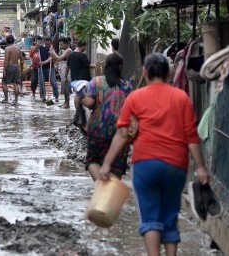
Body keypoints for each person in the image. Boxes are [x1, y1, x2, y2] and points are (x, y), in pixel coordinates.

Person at [99, 53, 210, 256]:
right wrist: (201, 168)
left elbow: (123, 134)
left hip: (145, 164)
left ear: (144, 73)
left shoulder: (135, 97)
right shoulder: (181, 98)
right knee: (170, 216)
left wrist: (106, 164)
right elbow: (191, 137)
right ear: (168, 73)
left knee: (150, 218)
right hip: (176, 166)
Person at [82, 53, 132, 181]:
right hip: (120, 131)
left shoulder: (96, 81)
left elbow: (89, 102)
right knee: (116, 167)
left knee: (93, 161)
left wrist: (81, 97)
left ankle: (101, 187)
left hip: (97, 130)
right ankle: (110, 193)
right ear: (120, 67)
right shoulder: (127, 86)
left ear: (105, 66)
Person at [65, 40, 95, 109]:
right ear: (83, 46)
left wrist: (65, 77)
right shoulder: (83, 55)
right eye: (85, 47)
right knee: (84, 96)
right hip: (84, 80)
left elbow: (67, 67)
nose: (85, 49)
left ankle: (78, 112)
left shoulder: (70, 55)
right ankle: (81, 111)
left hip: (75, 80)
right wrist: (98, 66)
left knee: (78, 95)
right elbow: (89, 65)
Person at [49, 37, 72, 108]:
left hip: (67, 71)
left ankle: (67, 104)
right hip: (62, 70)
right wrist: (53, 54)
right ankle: (65, 102)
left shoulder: (68, 50)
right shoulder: (63, 50)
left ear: (66, 44)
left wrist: (53, 52)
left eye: (62, 44)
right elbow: (57, 59)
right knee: (64, 88)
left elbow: (59, 58)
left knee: (66, 88)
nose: (61, 46)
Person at [1, 35, 24, 106]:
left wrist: (4, 70)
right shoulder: (18, 49)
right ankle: (16, 100)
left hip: (10, 67)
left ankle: (6, 99)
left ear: (7, 42)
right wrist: (21, 69)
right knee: (15, 84)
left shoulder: (7, 49)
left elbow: (6, 60)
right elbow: (22, 60)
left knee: (4, 82)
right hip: (16, 67)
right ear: (13, 41)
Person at [38, 36, 59, 102]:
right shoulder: (40, 47)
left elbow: (50, 58)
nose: (47, 45)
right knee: (41, 82)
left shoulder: (52, 49)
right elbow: (33, 50)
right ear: (44, 42)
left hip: (50, 68)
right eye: (46, 44)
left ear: (50, 43)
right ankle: (42, 96)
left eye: (48, 44)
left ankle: (56, 96)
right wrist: (37, 44)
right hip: (41, 68)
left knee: (53, 82)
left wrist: (43, 62)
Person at [29, 36, 42, 101]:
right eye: (36, 41)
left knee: (42, 81)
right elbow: (30, 57)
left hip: (42, 68)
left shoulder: (43, 47)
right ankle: (33, 92)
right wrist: (31, 64)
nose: (38, 42)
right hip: (34, 68)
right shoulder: (32, 48)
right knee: (34, 81)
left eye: (39, 41)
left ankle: (42, 95)